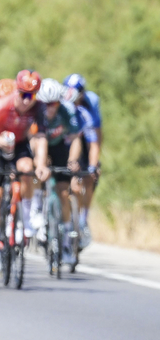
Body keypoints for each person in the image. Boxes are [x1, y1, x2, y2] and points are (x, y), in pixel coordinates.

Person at [0, 70, 51, 274]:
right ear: (17, 92)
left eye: (32, 95)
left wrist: (42, 164)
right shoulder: (3, 106)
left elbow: (42, 137)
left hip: (19, 145)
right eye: (23, 95)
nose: (27, 100)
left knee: (27, 169)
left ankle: (25, 219)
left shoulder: (38, 108)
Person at [30, 79, 84, 264]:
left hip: (60, 146)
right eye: (46, 104)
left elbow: (76, 139)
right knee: (37, 167)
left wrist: (72, 160)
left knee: (62, 191)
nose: (49, 108)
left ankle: (68, 238)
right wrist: (39, 162)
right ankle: (36, 206)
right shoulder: (34, 110)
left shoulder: (67, 111)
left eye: (53, 104)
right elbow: (32, 139)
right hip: (40, 144)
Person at [63, 74, 102, 244]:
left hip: (83, 143)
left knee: (90, 177)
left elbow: (94, 142)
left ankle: (83, 219)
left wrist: (93, 167)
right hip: (64, 144)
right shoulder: (60, 107)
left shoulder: (89, 106)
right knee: (72, 186)